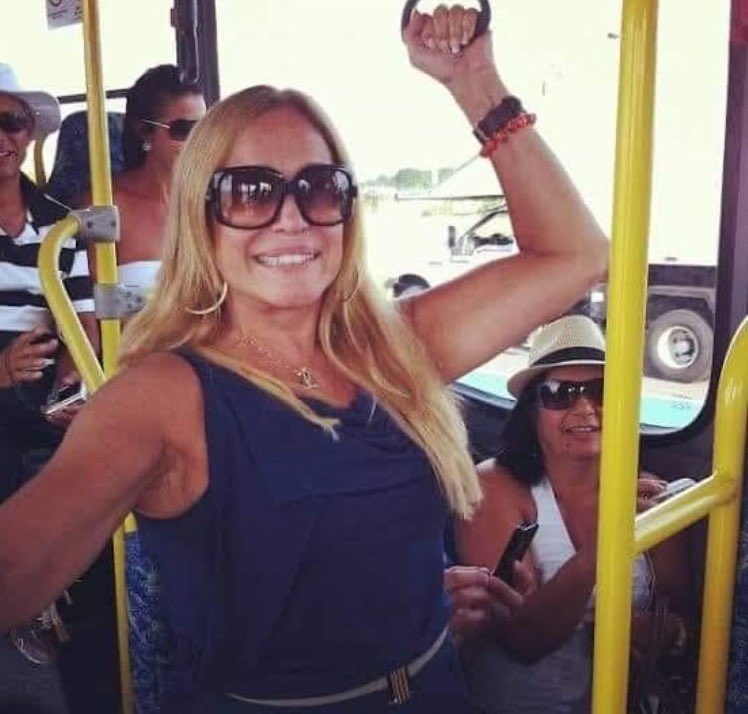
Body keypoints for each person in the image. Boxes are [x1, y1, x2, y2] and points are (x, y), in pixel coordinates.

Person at [0, 7, 608, 712]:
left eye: (320, 188)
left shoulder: (397, 345)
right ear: (201, 216)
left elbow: (577, 254)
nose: (291, 218)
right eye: (250, 192)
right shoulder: (162, 396)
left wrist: (474, 82)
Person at [454, 314, 694, 713]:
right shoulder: (494, 489)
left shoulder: (651, 497)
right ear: (532, 413)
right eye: (561, 393)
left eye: (600, 391)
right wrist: (600, 551)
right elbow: (522, 642)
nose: (585, 408)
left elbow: (683, 617)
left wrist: (659, 633)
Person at [0, 63, 98, 714]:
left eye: (10, 121)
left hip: (40, 377)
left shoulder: (61, 225)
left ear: (30, 132)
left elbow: (84, 321)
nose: (0, 137)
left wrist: (74, 379)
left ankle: (62, 600)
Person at [78, 64, 206, 294]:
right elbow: (89, 302)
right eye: (183, 130)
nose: (197, 142)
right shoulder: (103, 208)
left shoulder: (212, 204)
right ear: (145, 131)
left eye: (204, 129)